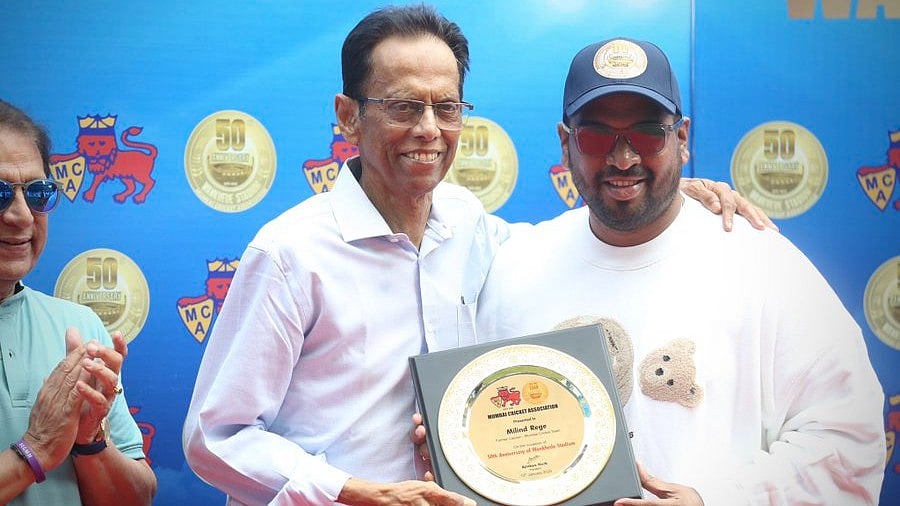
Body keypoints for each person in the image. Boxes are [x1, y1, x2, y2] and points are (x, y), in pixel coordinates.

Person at [182, 6, 771, 505]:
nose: (429, 129)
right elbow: (216, 437)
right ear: (347, 116)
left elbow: (571, 238)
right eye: (404, 106)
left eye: (447, 107)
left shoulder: (467, 224)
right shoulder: (290, 255)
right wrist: (348, 490)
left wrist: (667, 194)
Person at [474, 37, 886, 505]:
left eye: (649, 133)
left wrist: (714, 501)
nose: (623, 157)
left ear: (682, 139)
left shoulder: (762, 264)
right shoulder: (514, 267)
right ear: (566, 146)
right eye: (595, 136)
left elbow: (849, 437)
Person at [0, 100, 157, 505]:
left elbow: (136, 499)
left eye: (37, 192)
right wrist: (33, 451)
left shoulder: (79, 327)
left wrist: (89, 440)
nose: (21, 215)